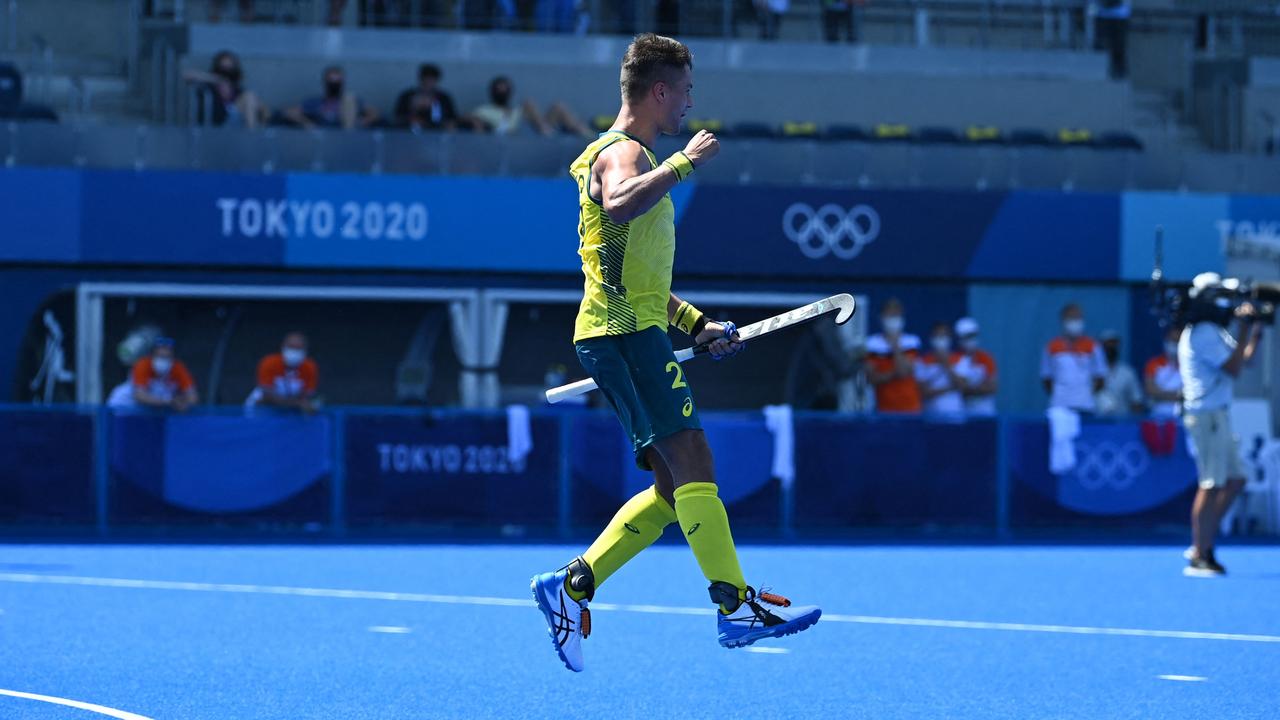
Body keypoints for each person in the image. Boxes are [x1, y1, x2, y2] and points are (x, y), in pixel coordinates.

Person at [530, 33, 820, 674]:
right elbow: (620, 199)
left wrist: (695, 327)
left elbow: (644, 283)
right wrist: (684, 163)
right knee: (693, 458)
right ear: (659, 91)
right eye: (685, 90)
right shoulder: (623, 155)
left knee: (672, 485)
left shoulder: (626, 155)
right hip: (621, 334)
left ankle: (572, 584)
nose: (691, 102)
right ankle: (733, 604)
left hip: (633, 327)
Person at [1179, 273, 1261, 577]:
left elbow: (1244, 358)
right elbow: (1235, 367)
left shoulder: (1213, 330)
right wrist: (1242, 327)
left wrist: (1253, 332)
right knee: (1210, 483)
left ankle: (1205, 538)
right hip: (1206, 415)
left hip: (1219, 414)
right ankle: (1199, 553)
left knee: (1236, 480)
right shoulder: (1201, 332)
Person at [469, 75, 592, 138]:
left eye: (505, 89)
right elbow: (472, 123)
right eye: (499, 90)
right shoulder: (483, 111)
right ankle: (548, 134)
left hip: (532, 132)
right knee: (528, 104)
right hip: (511, 137)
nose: (502, 92)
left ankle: (590, 138)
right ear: (492, 92)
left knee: (558, 107)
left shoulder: (516, 110)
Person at [1040, 303, 1106, 413]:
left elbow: (1100, 377)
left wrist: (1085, 393)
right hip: (1059, 405)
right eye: (1072, 318)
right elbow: (1046, 377)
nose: (1076, 322)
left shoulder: (1093, 346)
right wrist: (1062, 394)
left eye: (1078, 318)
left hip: (1086, 405)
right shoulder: (1052, 346)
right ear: (1063, 321)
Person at [865, 299, 922, 415]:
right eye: (889, 315)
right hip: (884, 409)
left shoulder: (912, 341)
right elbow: (871, 378)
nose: (893, 319)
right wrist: (895, 373)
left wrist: (895, 344)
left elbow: (905, 372)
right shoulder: (871, 343)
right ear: (882, 317)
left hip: (911, 408)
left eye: (896, 315)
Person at [184, 50, 268, 129]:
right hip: (218, 125)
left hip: (237, 124)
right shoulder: (210, 86)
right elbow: (187, 75)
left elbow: (261, 109)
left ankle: (252, 137)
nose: (226, 71)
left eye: (229, 68)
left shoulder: (238, 89)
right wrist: (216, 79)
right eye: (223, 67)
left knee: (250, 97)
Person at [285, 66, 380, 130]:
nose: (334, 85)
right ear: (325, 82)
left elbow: (374, 113)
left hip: (346, 137)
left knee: (349, 98)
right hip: (323, 137)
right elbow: (290, 112)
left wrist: (360, 123)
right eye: (331, 81)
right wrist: (308, 124)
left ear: (342, 82)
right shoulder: (315, 102)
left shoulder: (352, 102)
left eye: (337, 82)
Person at [246, 332, 319, 412]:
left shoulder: (310, 367)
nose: (294, 352)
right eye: (291, 347)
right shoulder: (269, 363)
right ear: (283, 347)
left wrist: (306, 404)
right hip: (262, 406)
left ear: (305, 350)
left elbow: (307, 394)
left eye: (298, 348)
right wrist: (297, 403)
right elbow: (267, 394)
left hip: (292, 411)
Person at [127, 338, 198, 412]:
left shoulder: (177, 367)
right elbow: (140, 396)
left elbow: (193, 397)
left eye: (167, 357)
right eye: (160, 356)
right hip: (126, 406)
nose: (163, 361)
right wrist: (169, 401)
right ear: (152, 355)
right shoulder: (143, 364)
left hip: (155, 411)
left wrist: (183, 403)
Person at [915, 322, 964, 418]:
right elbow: (924, 392)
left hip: (955, 415)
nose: (940, 339)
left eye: (943, 336)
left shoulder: (960, 360)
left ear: (949, 338)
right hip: (931, 416)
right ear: (931, 339)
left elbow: (962, 386)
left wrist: (946, 365)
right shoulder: (922, 361)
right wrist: (950, 388)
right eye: (937, 336)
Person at [953, 317, 998, 417]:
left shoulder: (986, 358)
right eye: (967, 337)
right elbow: (961, 388)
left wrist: (969, 389)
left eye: (973, 336)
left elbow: (992, 387)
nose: (971, 340)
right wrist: (979, 388)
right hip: (964, 413)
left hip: (986, 412)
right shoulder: (955, 359)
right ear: (960, 338)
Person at [394, 63, 460, 131]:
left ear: (436, 80)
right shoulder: (407, 96)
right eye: (425, 79)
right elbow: (398, 118)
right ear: (420, 79)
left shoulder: (443, 98)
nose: (428, 82)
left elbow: (450, 119)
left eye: (431, 79)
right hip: (410, 131)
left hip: (437, 131)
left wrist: (434, 106)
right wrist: (413, 108)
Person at [1095, 330, 1144, 417]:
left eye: (1113, 344)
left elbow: (1136, 401)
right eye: (1107, 344)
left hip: (1121, 422)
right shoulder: (1092, 372)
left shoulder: (1128, 372)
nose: (1110, 347)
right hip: (1096, 421)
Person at [1145, 326, 1183, 419]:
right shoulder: (1153, 364)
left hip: (1182, 416)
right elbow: (1150, 390)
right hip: (1158, 416)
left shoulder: (1188, 366)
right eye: (1171, 340)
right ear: (1166, 341)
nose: (1174, 344)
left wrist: (1161, 395)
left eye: (1177, 341)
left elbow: (1189, 393)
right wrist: (1178, 396)